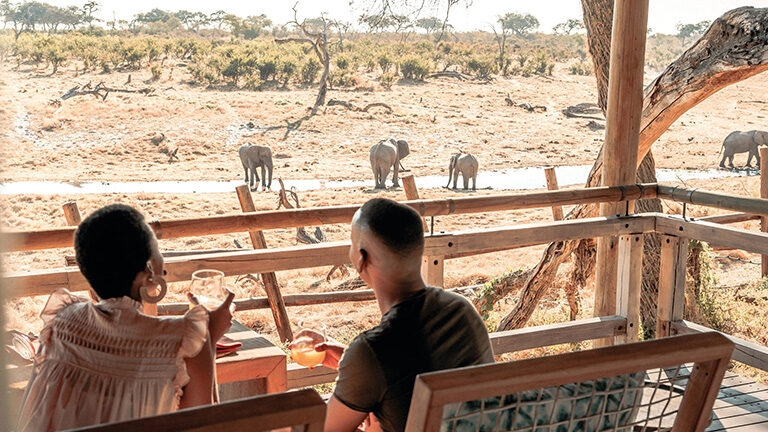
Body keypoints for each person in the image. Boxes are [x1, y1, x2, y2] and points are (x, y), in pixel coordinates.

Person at [16, 204, 234, 432]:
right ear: (149, 271)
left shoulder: (62, 320)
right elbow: (204, 425)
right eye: (158, 249)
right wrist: (208, 336)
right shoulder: (179, 341)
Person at [293, 198, 494, 432]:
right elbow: (409, 373)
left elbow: (322, 431)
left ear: (361, 259)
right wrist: (350, 363)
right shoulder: (462, 311)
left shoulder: (373, 350)